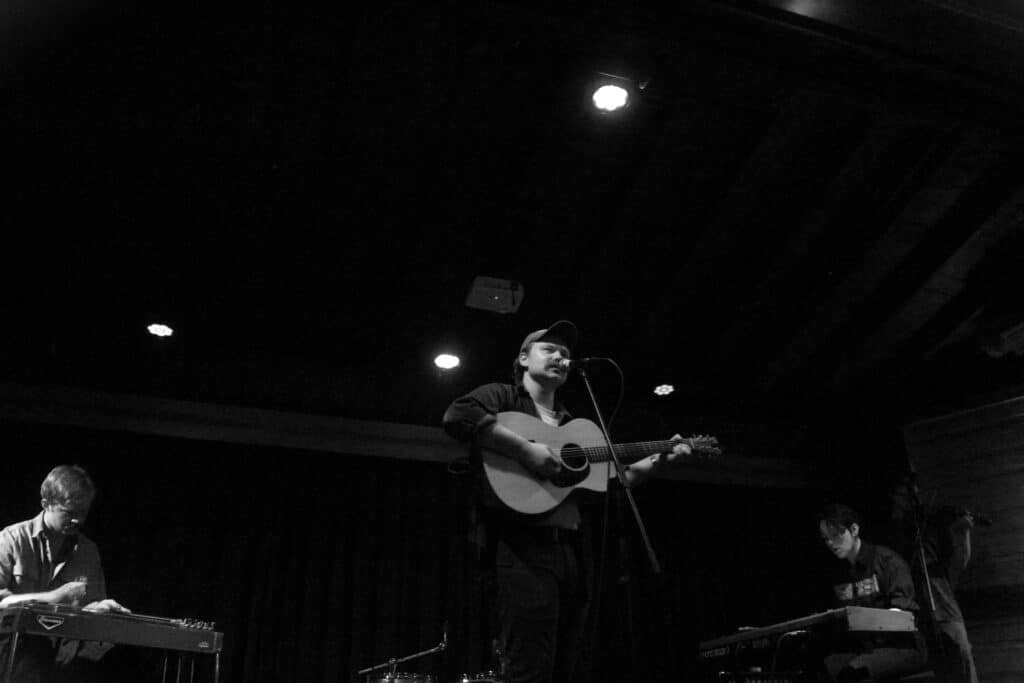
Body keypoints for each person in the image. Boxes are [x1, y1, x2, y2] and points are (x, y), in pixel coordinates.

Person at [442, 320, 690, 683]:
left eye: (566, 354)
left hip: (571, 556)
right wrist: (526, 451)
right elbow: (458, 415)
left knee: (566, 667)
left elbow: (617, 481)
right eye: (550, 350)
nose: (561, 357)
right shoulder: (504, 397)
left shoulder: (577, 426)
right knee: (529, 669)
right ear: (524, 359)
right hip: (522, 550)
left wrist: (660, 458)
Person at [0, 464, 130, 682]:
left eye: (83, 513)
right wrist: (51, 599)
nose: (78, 520)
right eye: (69, 513)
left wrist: (99, 609)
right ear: (46, 504)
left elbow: (88, 607)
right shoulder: (10, 539)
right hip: (11, 647)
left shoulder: (88, 551)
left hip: (62, 653)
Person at [817, 503, 928, 681]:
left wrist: (861, 619)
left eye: (836, 535)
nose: (830, 543)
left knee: (852, 674)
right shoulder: (838, 573)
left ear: (854, 529)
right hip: (863, 650)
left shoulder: (887, 561)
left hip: (901, 647)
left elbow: (903, 616)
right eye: (825, 538)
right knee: (817, 671)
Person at [889, 478, 979, 683]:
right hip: (917, 613)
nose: (912, 501)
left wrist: (963, 532)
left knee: (962, 657)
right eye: (904, 495)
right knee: (937, 667)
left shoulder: (931, 528)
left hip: (944, 607)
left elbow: (957, 562)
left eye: (914, 495)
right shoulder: (898, 533)